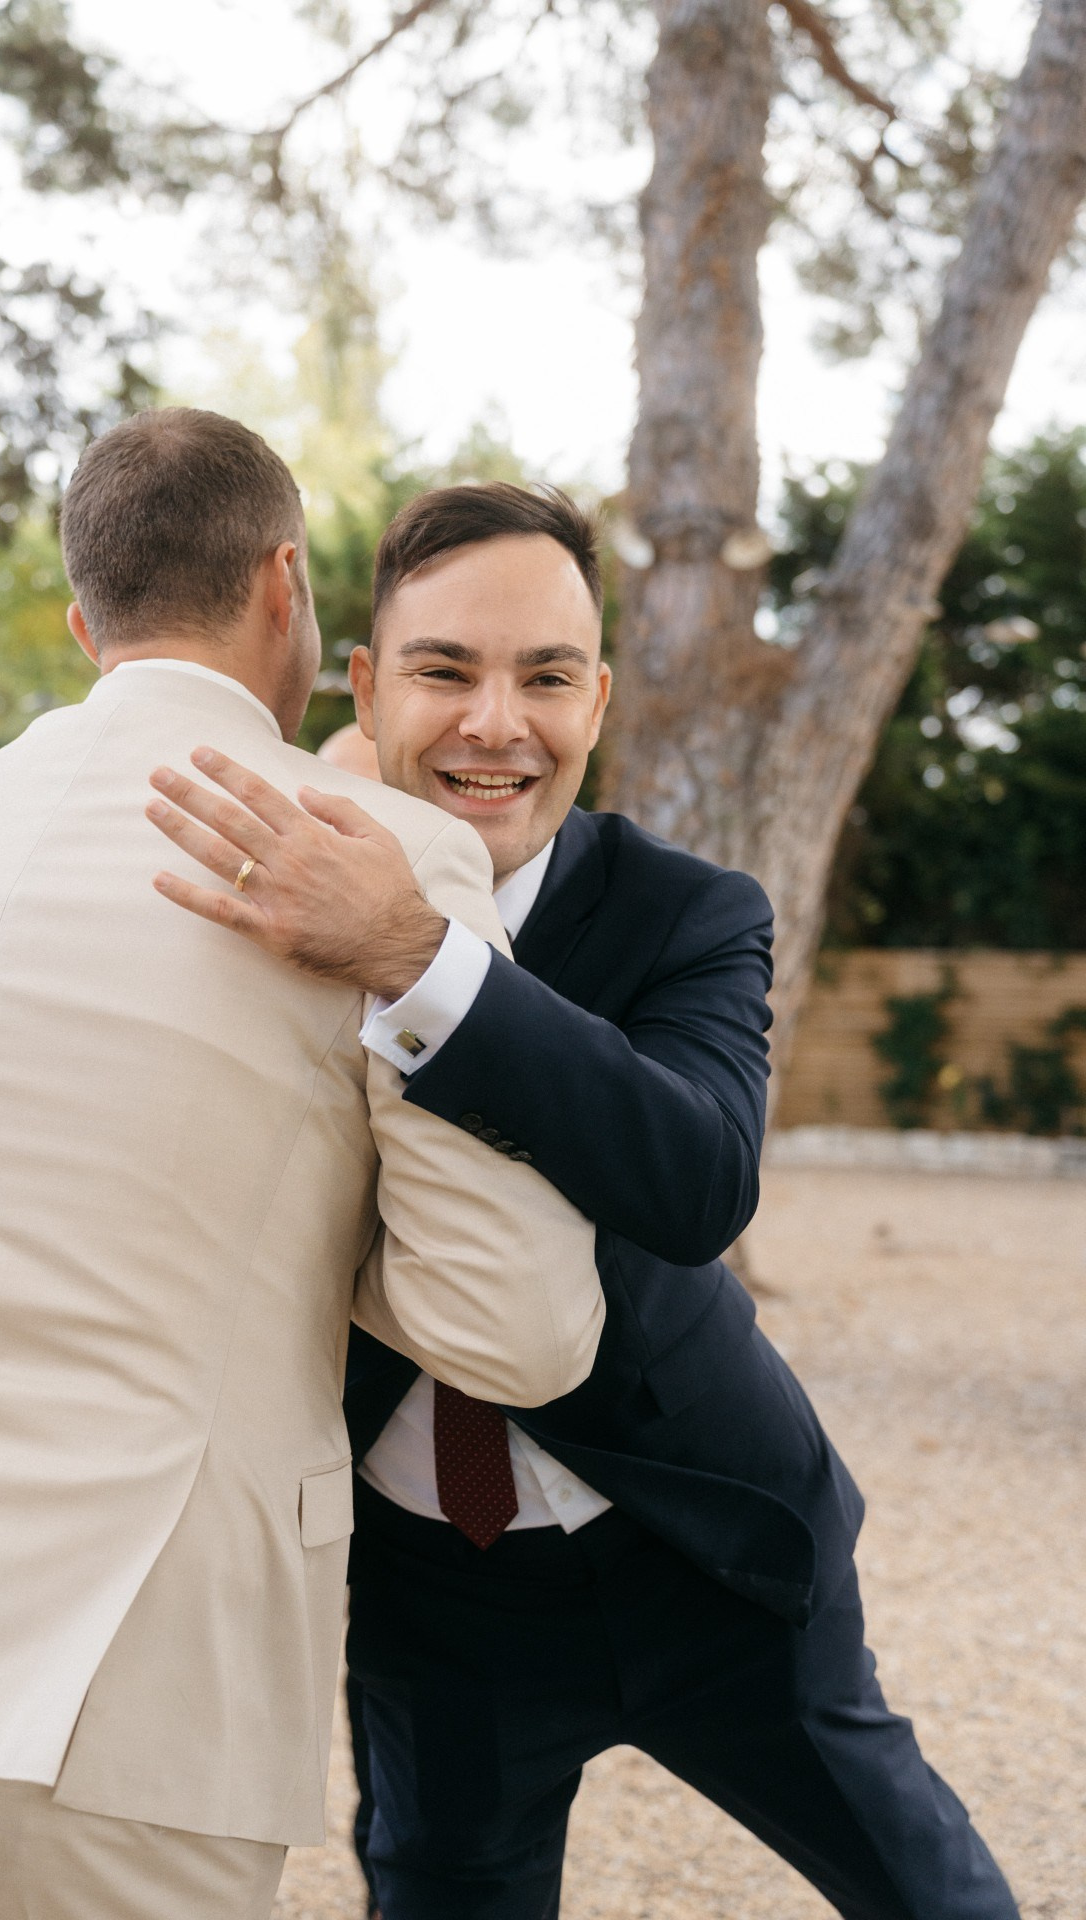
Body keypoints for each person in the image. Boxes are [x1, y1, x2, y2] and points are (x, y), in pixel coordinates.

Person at [147, 481, 1021, 1920]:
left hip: (708, 1547)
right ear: (366, 684)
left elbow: (695, 1180)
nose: (499, 723)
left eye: (546, 676)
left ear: (598, 701)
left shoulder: (692, 914)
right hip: (437, 1596)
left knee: (934, 1894)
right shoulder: (271, 904)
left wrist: (422, 959)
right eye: (444, 671)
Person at [0, 419, 605, 1920]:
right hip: (123, 1689)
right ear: (285, 584)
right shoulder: (395, 856)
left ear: (81, 621)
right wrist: (304, 1238)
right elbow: (519, 1331)